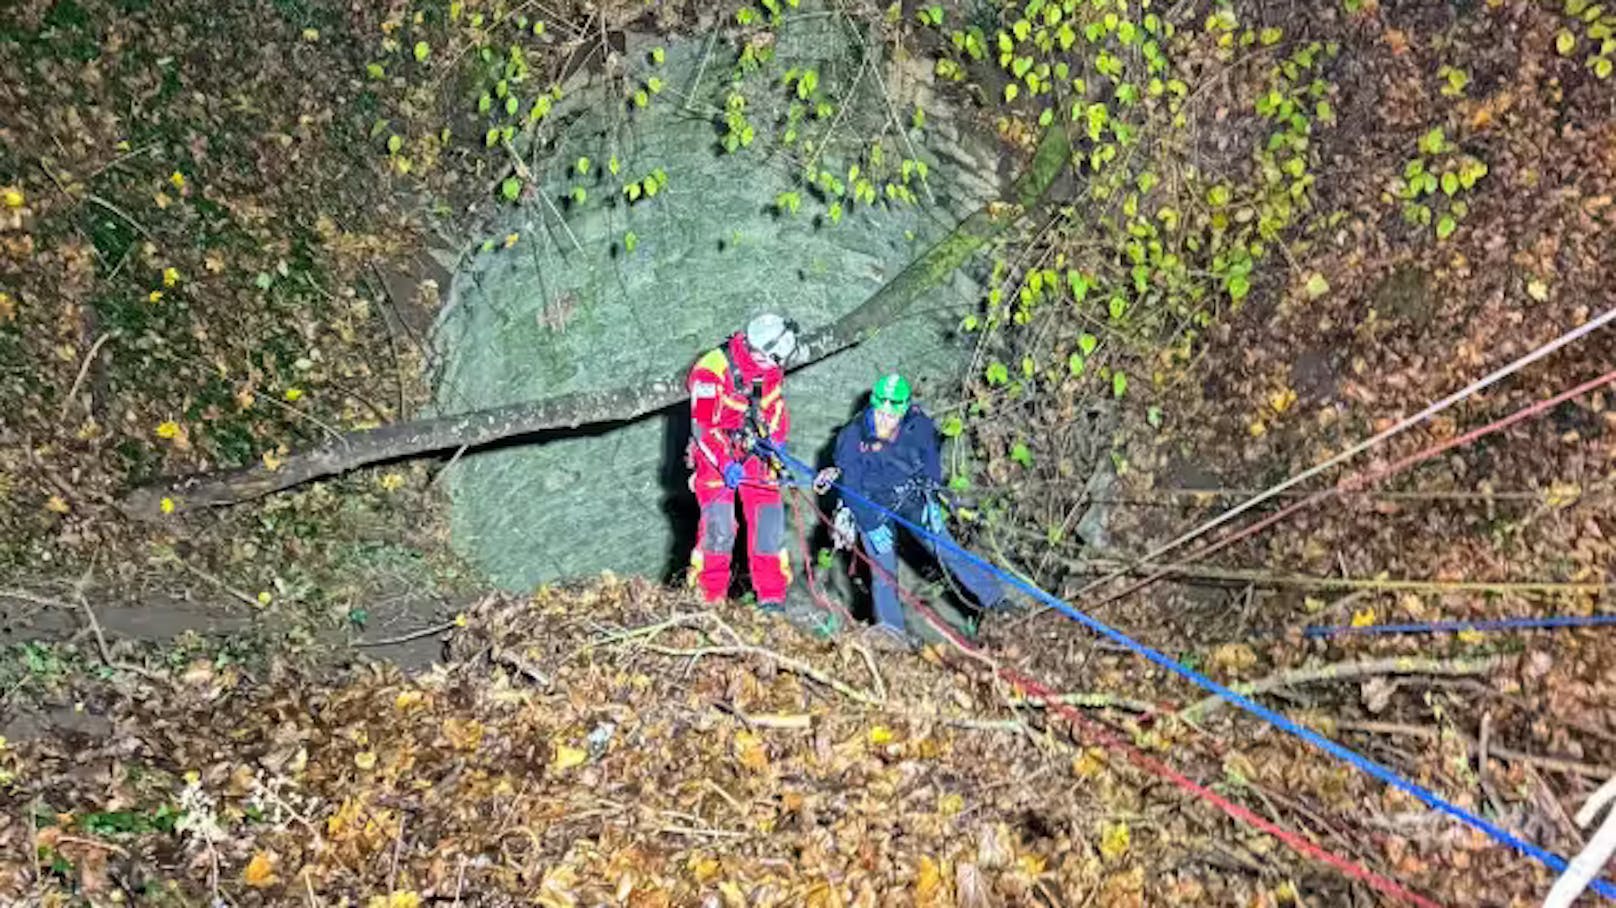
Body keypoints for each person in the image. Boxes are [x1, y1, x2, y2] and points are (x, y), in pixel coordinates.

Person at [815, 373, 1005, 649]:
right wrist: (869, 525)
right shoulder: (852, 437)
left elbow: (929, 461)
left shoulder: (918, 425)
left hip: (912, 499)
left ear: (903, 412)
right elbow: (851, 488)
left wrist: (931, 494)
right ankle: (893, 633)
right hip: (872, 505)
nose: (884, 421)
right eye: (880, 413)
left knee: (948, 550)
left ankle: (996, 599)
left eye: (891, 416)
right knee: (883, 572)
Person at [684, 313, 800, 609]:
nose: (775, 367)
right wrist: (724, 464)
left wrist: (776, 448)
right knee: (718, 529)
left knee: (768, 521)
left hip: (755, 447)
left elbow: (774, 408)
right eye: (771, 361)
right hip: (715, 451)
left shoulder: (770, 367)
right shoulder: (711, 369)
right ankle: (709, 600)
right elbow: (704, 427)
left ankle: (772, 598)